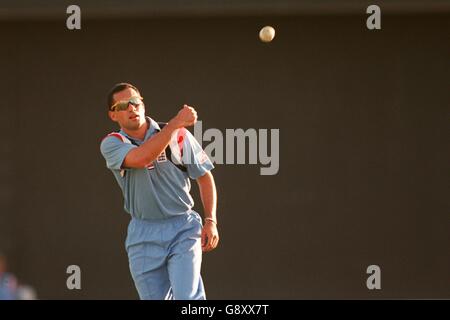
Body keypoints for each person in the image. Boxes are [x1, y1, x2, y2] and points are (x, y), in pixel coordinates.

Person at [100, 83, 219, 300]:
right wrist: (175, 123)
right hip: (143, 233)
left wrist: (211, 220)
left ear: (143, 104)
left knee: (187, 297)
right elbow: (142, 157)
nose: (132, 108)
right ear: (113, 115)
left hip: (183, 227)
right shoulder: (112, 143)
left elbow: (204, 176)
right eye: (123, 105)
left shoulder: (179, 135)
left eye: (135, 102)